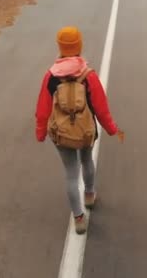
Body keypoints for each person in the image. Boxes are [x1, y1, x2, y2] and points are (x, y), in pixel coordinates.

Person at [35, 26, 124, 235]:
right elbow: (101, 109)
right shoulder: (88, 75)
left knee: (71, 174)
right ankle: (90, 195)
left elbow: (42, 110)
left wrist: (40, 133)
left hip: (61, 134)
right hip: (84, 132)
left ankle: (78, 218)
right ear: (79, 46)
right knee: (86, 161)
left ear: (60, 47)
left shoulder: (51, 77)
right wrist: (113, 130)